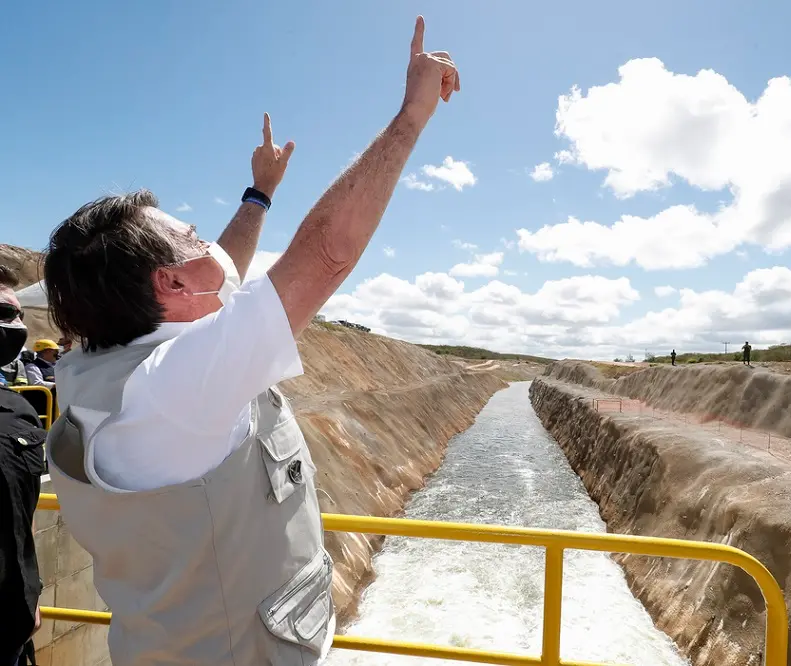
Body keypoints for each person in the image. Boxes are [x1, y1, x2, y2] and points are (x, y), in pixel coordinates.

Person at [43, 17, 458, 665]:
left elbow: (223, 270)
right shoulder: (174, 387)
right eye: (191, 235)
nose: (207, 241)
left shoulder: (111, 365)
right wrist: (411, 116)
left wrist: (259, 193)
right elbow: (327, 253)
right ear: (171, 282)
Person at [0, 265, 46, 666]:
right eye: (3, 313)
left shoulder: (21, 411)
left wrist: (31, 594)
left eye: (16, 315)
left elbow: (22, 512)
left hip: (10, 629)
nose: (15, 325)